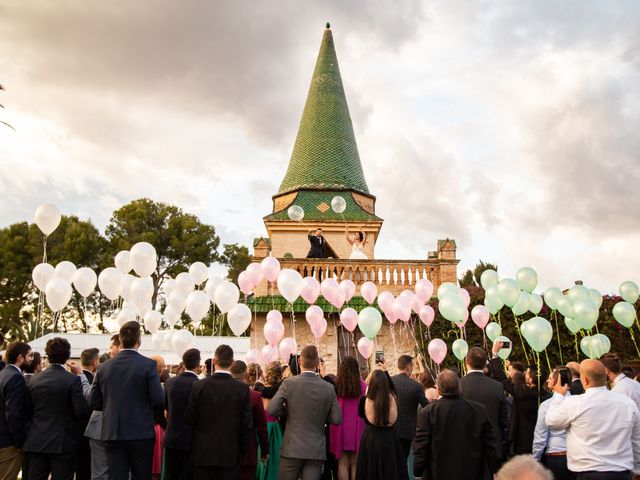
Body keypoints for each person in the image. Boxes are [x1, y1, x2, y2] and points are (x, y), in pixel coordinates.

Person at [90, 321, 164, 480]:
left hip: (112, 431)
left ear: (121, 341)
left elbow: (94, 402)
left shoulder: (104, 367)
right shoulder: (148, 365)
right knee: (141, 476)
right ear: (139, 341)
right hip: (141, 432)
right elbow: (158, 399)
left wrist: (112, 407)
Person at [546, 359, 640, 479]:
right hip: (621, 471)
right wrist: (637, 468)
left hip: (588, 472)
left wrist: (559, 395)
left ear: (584, 380)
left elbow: (551, 421)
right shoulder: (627, 403)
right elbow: (637, 438)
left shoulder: (575, 403)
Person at [267, 345, 342, 480]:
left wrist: (287, 411)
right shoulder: (328, 388)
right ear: (317, 364)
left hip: (292, 448)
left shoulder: (288, 384)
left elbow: (272, 409)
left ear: (300, 362)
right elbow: (337, 418)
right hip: (315, 449)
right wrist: (322, 415)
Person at [413, 370, 500, 480]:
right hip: (473, 472)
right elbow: (490, 445)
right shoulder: (479, 410)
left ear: (438, 389)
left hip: (439, 472)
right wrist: (496, 469)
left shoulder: (428, 413)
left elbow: (421, 447)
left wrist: (418, 472)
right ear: (459, 387)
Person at [23, 337, 89, 480]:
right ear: (67, 356)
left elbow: (27, 411)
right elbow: (80, 411)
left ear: (48, 355)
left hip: (36, 441)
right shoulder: (72, 380)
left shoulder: (33, 380)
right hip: (63, 443)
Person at [185, 344, 252, 479]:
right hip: (230, 453)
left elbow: (189, 419)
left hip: (202, 454)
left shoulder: (199, 386)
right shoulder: (242, 389)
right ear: (232, 363)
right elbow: (247, 426)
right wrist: (240, 451)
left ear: (214, 361)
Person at [490, 341, 543, 455]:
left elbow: (501, 379)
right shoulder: (544, 394)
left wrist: (495, 354)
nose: (525, 375)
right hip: (541, 441)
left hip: (524, 443)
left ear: (532, 379)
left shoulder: (524, 393)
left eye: (527, 374)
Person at [461, 346, 508, 466]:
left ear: (466, 361)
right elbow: (503, 420)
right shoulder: (497, 387)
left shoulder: (459, 385)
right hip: (492, 445)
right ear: (485, 364)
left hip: (466, 445)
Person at [355, 369, 406, 480]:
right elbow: (393, 389)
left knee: (370, 471)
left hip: (371, 439)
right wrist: (386, 372)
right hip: (389, 439)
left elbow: (360, 414)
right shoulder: (393, 398)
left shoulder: (365, 400)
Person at [85, 334, 119, 480]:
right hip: (120, 428)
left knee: (99, 473)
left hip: (100, 425)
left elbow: (93, 400)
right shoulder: (139, 367)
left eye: (111, 346)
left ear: (119, 345)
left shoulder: (102, 368)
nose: (109, 350)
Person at [164, 348, 201, 480]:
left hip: (172, 437)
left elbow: (166, 411)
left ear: (183, 363)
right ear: (198, 364)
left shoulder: (170, 382)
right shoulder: (200, 385)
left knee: (170, 474)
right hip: (192, 440)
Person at [230, 360, 269, 480]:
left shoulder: (222, 393)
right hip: (248, 450)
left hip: (225, 450)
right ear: (245, 373)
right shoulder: (255, 396)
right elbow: (262, 427)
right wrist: (264, 451)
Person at [330, 356, 366, 480]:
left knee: (342, 463)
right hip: (357, 428)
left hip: (340, 427)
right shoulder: (363, 386)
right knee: (356, 464)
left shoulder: (336, 387)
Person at [532, 368, 571, 480]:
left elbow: (540, 437)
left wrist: (535, 459)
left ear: (556, 382)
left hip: (556, 456)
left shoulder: (546, 405)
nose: (548, 381)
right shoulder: (577, 402)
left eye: (550, 378)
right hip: (577, 456)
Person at [0, 341, 32, 480]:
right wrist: (19, 442)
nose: (31, 359)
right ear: (20, 357)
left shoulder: (2, 373)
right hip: (9, 443)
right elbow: (13, 413)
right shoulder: (16, 377)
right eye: (30, 356)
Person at [390, 355, 428, 461]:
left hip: (389, 429)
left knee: (391, 462)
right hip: (407, 431)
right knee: (403, 461)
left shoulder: (389, 381)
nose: (412, 369)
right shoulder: (416, 386)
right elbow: (427, 407)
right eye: (412, 366)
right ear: (408, 367)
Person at [76, 347, 100, 480]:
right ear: (95, 361)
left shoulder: (73, 378)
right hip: (91, 430)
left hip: (74, 431)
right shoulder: (95, 381)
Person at [261, 361, 284, 480]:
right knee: (275, 460)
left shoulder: (260, 389)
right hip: (274, 428)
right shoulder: (280, 391)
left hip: (262, 427)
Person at [149, 355, 168, 480]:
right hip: (158, 429)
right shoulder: (162, 387)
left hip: (143, 427)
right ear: (161, 369)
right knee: (156, 470)